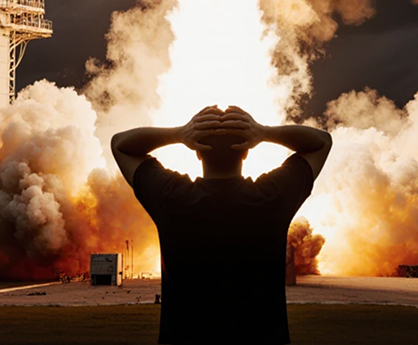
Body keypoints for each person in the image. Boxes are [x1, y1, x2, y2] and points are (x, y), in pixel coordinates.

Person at [111, 105, 332, 345]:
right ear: (246, 152)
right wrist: (263, 132)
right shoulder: (270, 198)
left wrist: (179, 134)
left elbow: (120, 144)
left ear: (197, 152)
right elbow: (322, 141)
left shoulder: (172, 198)